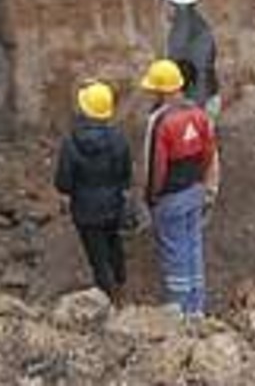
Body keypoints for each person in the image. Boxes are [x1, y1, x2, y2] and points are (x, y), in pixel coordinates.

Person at [140, 59, 220, 318]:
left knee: (174, 253)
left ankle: (178, 312)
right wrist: (205, 186)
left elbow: (156, 165)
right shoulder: (199, 115)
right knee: (193, 247)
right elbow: (209, 154)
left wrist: (151, 197)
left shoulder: (160, 121)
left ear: (161, 90)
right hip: (195, 191)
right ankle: (196, 309)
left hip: (170, 196)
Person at [54, 81, 132, 303]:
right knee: (114, 243)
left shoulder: (71, 142)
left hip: (86, 210)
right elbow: (125, 172)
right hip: (113, 204)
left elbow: (64, 179)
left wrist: (65, 196)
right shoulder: (119, 139)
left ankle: (106, 296)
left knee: (97, 255)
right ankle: (120, 284)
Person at [156, 0, 221, 120]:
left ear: (177, 6)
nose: (164, 7)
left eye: (166, 2)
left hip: (198, 104)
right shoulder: (183, 29)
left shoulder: (194, 34)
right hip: (192, 102)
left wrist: (194, 111)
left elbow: (202, 73)